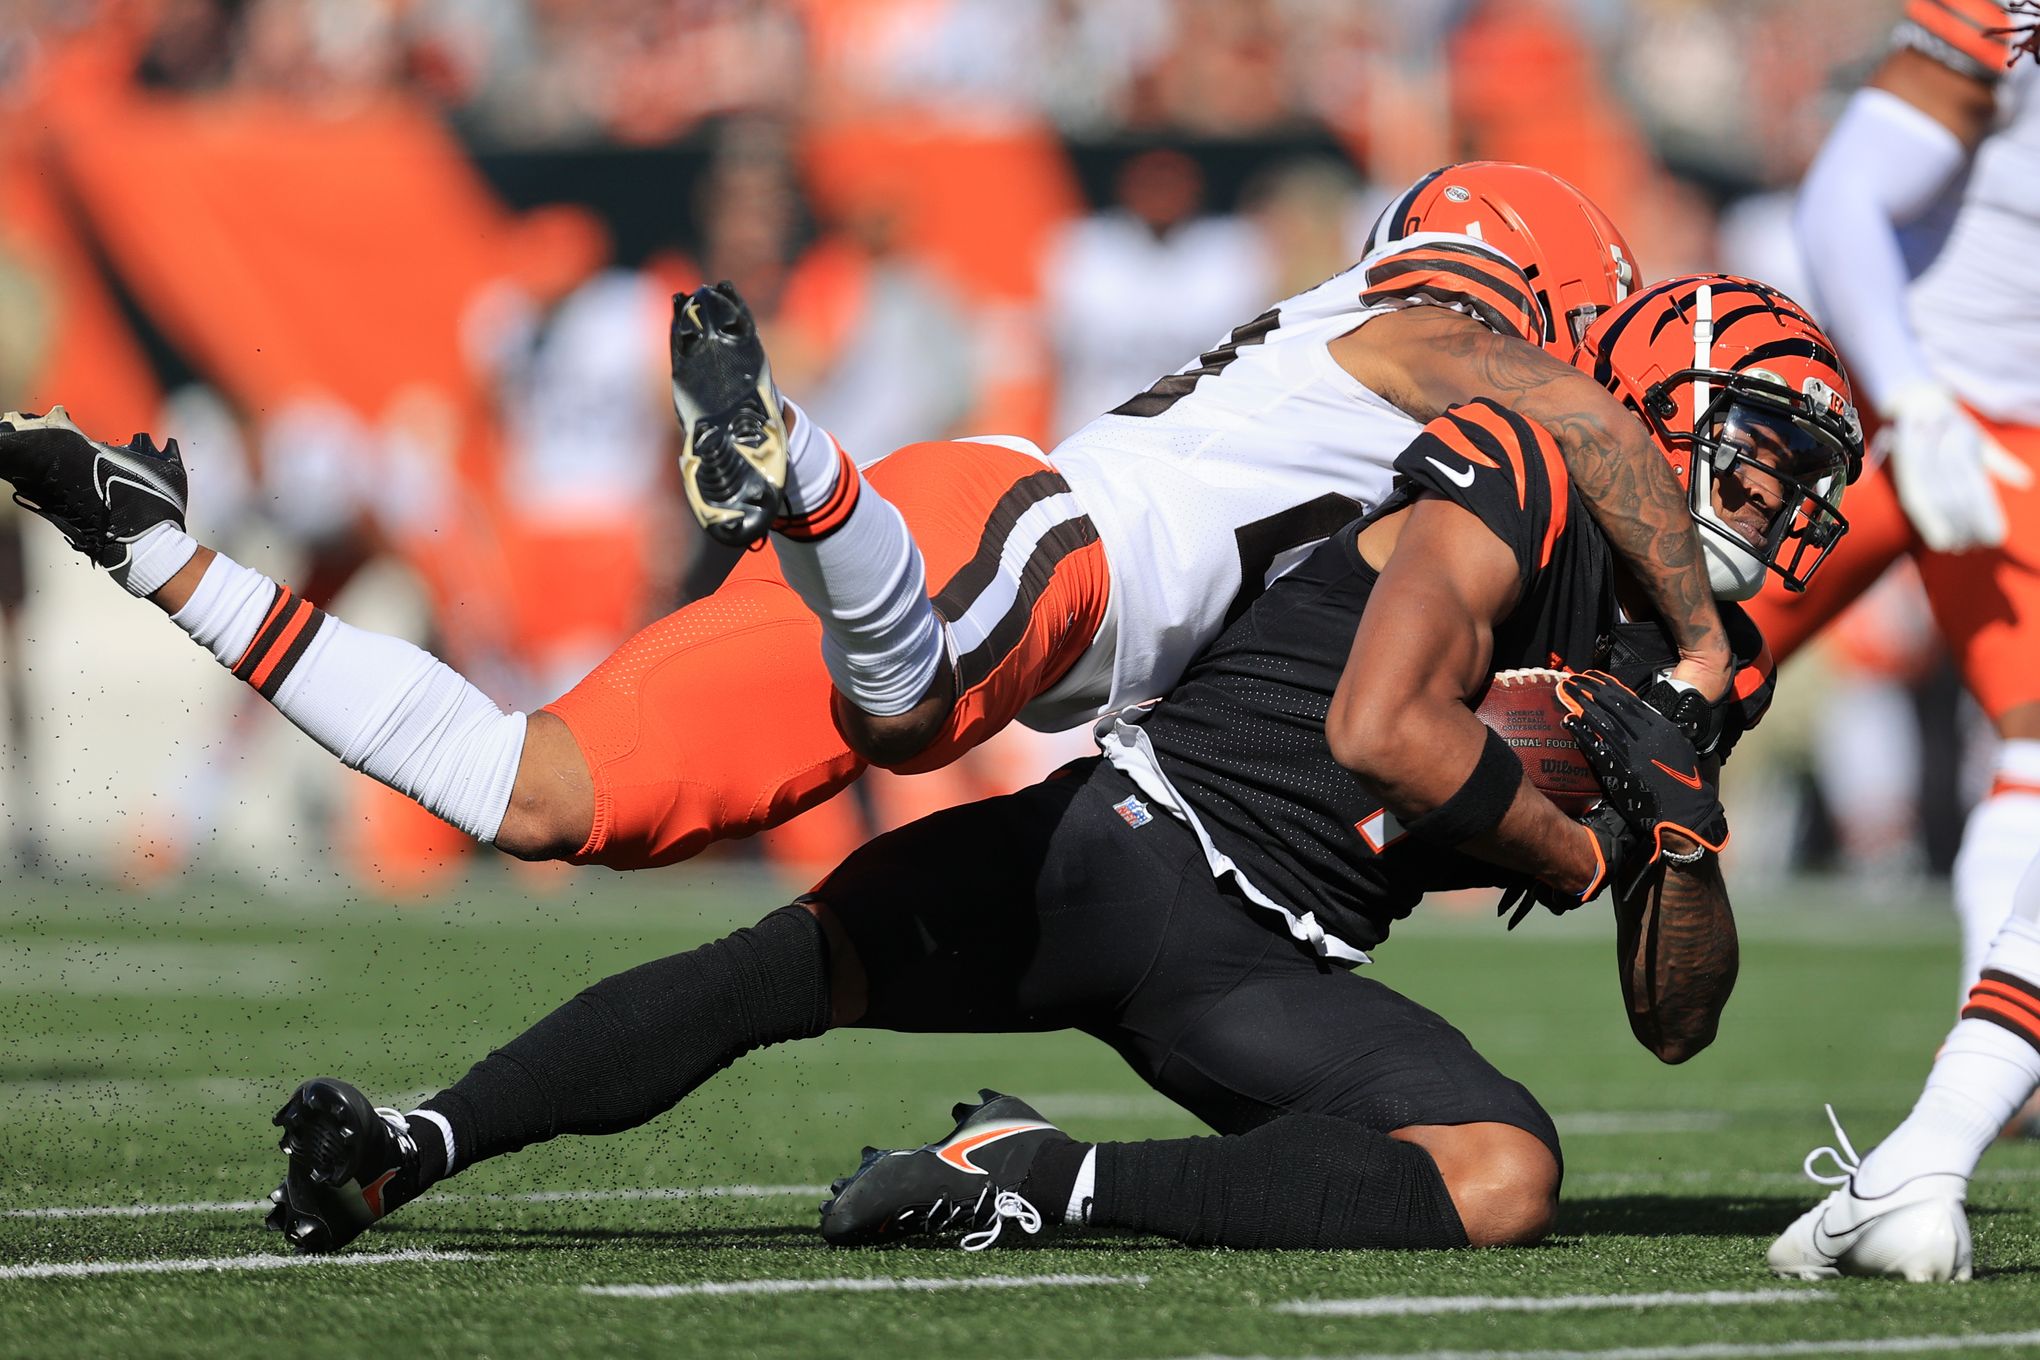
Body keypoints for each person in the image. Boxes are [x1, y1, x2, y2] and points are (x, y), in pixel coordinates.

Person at [259, 274, 1860, 1256]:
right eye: (1763, 450)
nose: (1784, 503)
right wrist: (1586, 852)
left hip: (1274, 970)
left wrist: (1687, 824)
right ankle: (412, 1144)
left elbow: (1677, 1020)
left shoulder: (1708, 661)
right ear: (1648, 410)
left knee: (1502, 1174)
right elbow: (1386, 729)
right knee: (768, 975)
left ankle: (1037, 1176)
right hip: (1133, 851)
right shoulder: (1517, 463)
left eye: (1804, 478)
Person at [0, 164, 1736, 889]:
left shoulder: (1356, 343)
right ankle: (804, 461)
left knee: (537, 797)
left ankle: (150, 540)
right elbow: (1581, 422)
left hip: (952, 547)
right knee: (914, 716)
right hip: (1034, 552)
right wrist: (1708, 641)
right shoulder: (1435, 344)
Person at [1756, 0, 2040, 1284]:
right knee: (1644, 668)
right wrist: (1915, 396)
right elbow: (1844, 197)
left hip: (2003, 434)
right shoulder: (2006, 24)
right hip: (1918, 417)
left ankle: (1942, 1139)